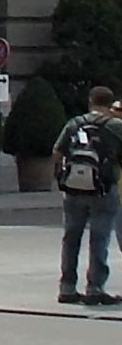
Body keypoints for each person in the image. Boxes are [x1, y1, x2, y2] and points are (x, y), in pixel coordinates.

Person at [53, 83, 122, 306]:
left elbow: (57, 151)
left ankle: (67, 287)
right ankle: (94, 288)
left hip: (73, 189)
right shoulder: (115, 126)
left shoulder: (74, 123)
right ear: (109, 105)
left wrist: (62, 175)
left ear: (90, 102)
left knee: (71, 238)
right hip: (103, 189)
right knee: (99, 238)